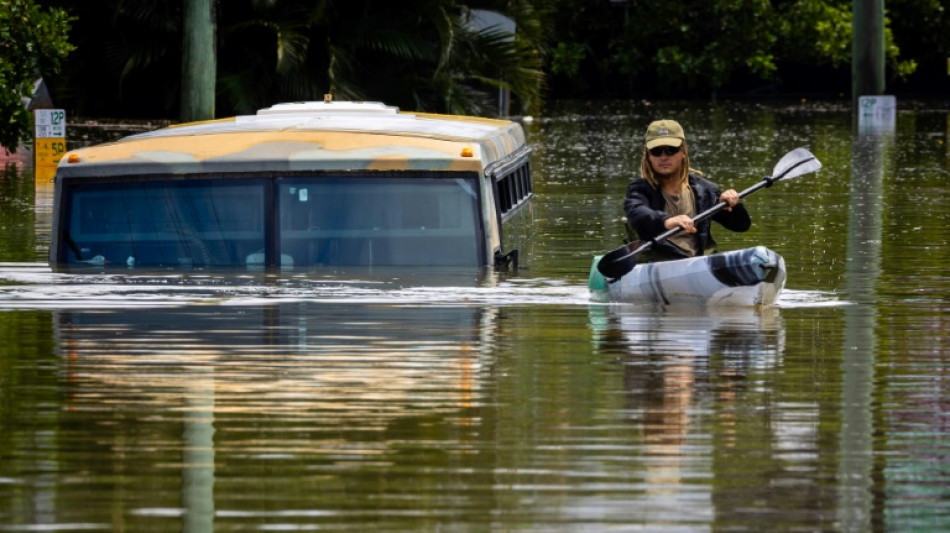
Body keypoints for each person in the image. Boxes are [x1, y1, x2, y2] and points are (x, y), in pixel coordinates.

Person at [623, 119, 750, 262]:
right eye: (657, 151)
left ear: (683, 152)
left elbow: (741, 226)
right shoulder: (639, 189)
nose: (664, 157)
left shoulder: (705, 190)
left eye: (671, 150)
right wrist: (666, 221)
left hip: (698, 263)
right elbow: (637, 212)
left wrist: (733, 205)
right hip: (656, 262)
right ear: (648, 156)